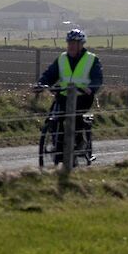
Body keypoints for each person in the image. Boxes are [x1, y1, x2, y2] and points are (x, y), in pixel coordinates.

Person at [38, 28, 103, 163]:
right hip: (63, 96)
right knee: (54, 118)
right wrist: (41, 83)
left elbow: (97, 78)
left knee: (73, 115)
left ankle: (80, 141)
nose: (71, 46)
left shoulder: (91, 59)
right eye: (69, 43)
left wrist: (91, 88)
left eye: (74, 43)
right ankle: (59, 146)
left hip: (83, 97)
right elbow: (50, 73)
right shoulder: (62, 58)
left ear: (81, 45)